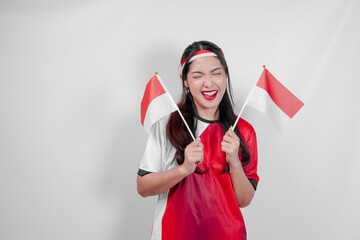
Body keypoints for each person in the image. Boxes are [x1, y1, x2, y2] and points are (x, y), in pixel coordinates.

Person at [137, 40, 259, 240]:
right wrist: (183, 169)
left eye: (216, 73)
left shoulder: (243, 131)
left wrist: (235, 163)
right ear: (185, 80)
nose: (208, 83)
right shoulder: (167, 125)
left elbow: (244, 200)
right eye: (197, 75)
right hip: (172, 234)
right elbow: (143, 187)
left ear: (226, 75)